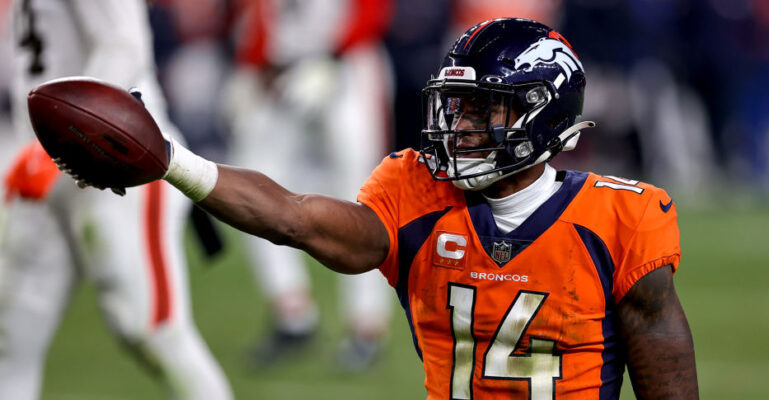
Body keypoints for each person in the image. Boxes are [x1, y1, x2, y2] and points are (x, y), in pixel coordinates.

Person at [57, 18, 699, 399]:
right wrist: (173, 161)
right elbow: (296, 218)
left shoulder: (622, 219)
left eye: (485, 110)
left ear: (544, 114)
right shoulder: (417, 191)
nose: (463, 127)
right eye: (458, 107)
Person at [0, 0, 232, 399]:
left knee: (150, 328)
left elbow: (126, 45)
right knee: (10, 334)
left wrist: (65, 136)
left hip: (113, 160)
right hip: (38, 162)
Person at [222, 0, 395, 370]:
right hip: (282, 68)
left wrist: (334, 54)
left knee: (366, 192)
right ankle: (292, 312)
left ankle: (366, 325)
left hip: (348, 65)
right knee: (253, 183)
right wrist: (252, 63)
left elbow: (373, 9)